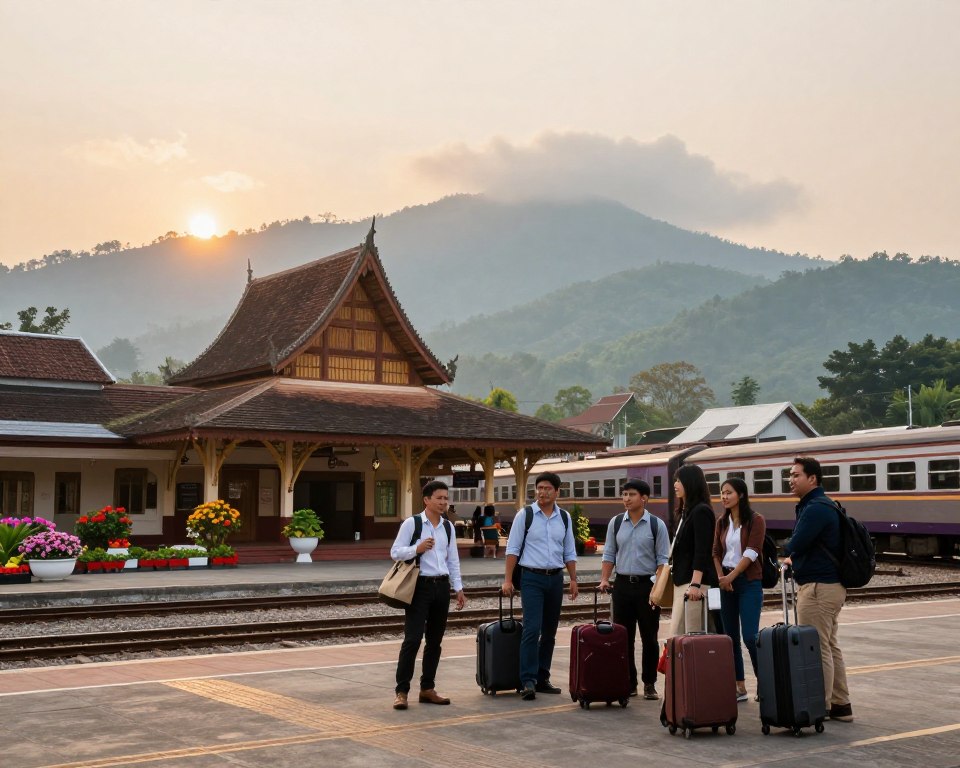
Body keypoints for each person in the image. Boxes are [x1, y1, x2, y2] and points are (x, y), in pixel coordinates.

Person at [784, 456, 854, 722]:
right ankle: (840, 704)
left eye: (795, 475)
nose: (791, 480)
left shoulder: (815, 508)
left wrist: (788, 551)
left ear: (812, 479)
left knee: (817, 646)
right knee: (829, 645)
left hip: (817, 589)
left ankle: (820, 706)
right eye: (790, 475)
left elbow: (796, 543)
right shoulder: (824, 505)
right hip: (830, 586)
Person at [502, 471, 579, 700]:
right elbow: (513, 549)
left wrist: (573, 579)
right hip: (531, 577)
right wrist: (507, 579)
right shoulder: (525, 515)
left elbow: (569, 551)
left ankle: (542, 677)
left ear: (557, 492)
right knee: (532, 628)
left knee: (550, 632)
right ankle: (527, 680)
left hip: (555, 578)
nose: (542, 492)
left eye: (547, 488)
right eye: (539, 488)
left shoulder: (564, 518)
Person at [391, 480, 467, 710]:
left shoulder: (448, 527)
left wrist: (458, 587)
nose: (444, 502)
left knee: (435, 641)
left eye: (446, 498)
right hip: (419, 586)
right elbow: (395, 552)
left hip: (441, 587)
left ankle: (427, 688)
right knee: (413, 639)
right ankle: (402, 691)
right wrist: (417, 548)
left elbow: (452, 559)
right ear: (427, 500)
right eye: (439, 498)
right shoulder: (412, 524)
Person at [599, 479, 669, 700]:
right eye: (624, 494)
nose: (626, 499)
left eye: (631, 494)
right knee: (623, 637)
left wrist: (656, 589)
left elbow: (663, 561)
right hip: (621, 586)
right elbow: (609, 553)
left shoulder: (657, 525)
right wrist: (604, 579)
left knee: (649, 637)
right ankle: (629, 683)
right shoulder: (616, 522)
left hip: (647, 587)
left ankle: (649, 683)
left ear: (644, 498)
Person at [712, 477, 765, 702]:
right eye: (722, 493)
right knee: (729, 637)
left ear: (741, 495)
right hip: (725, 583)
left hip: (748, 582)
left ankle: (765, 682)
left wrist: (731, 576)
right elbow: (715, 552)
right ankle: (739, 686)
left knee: (750, 636)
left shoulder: (755, 520)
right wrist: (721, 577)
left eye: (729, 492)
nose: (724, 497)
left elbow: (752, 552)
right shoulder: (721, 522)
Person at [669, 464, 719, 636]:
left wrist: (695, 584)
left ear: (690, 483)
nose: (675, 484)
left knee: (688, 635)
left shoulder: (701, 512)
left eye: (679, 480)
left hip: (695, 586)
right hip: (684, 583)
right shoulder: (686, 512)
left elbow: (702, 550)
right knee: (680, 636)